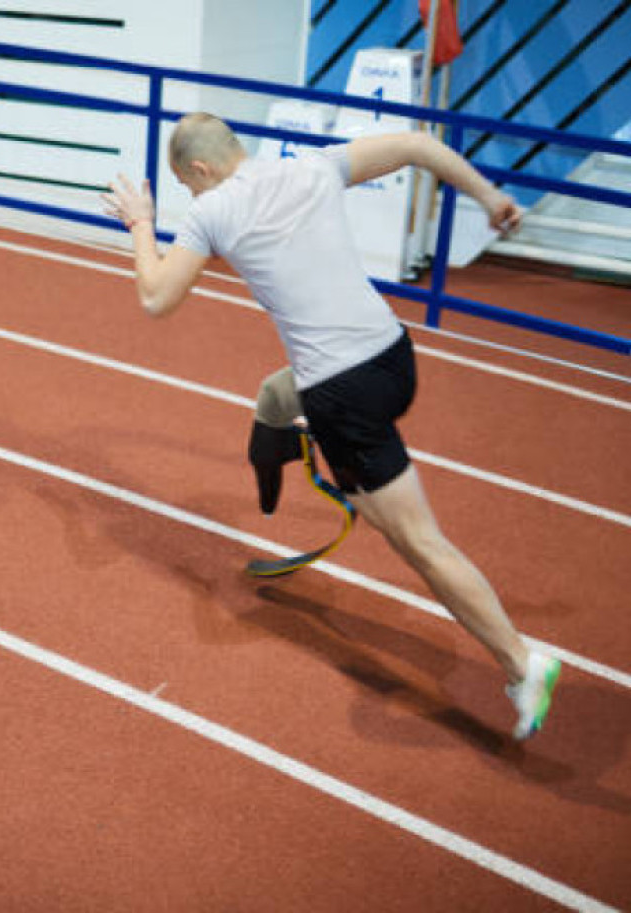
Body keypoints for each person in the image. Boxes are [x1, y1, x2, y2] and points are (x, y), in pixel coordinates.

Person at [102, 113, 560, 740]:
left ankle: (521, 661)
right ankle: (287, 451)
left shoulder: (213, 211)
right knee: (277, 393)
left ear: (202, 170)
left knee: (418, 543)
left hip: (344, 395)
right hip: (393, 357)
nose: (193, 198)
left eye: (188, 186)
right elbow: (418, 145)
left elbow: (157, 297)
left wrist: (143, 225)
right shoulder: (311, 166)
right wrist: (489, 197)